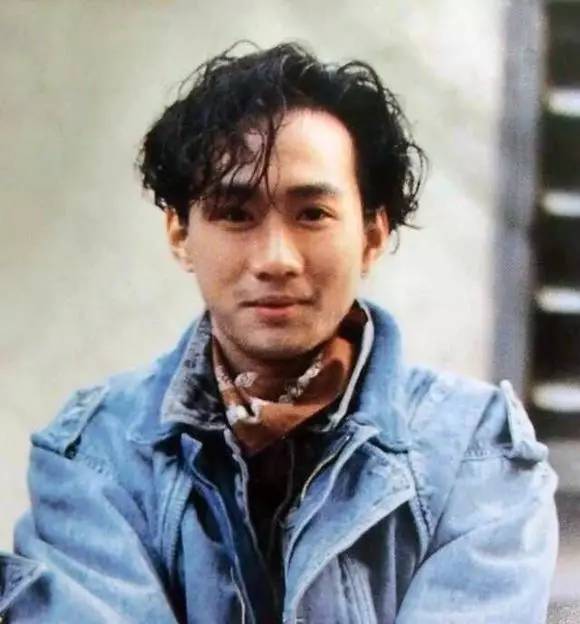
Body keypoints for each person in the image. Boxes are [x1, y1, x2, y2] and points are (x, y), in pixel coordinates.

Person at [0, 42, 558, 624]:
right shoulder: (95, 454)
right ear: (180, 234)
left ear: (372, 236)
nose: (275, 259)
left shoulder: (476, 450)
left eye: (312, 214)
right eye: (235, 214)